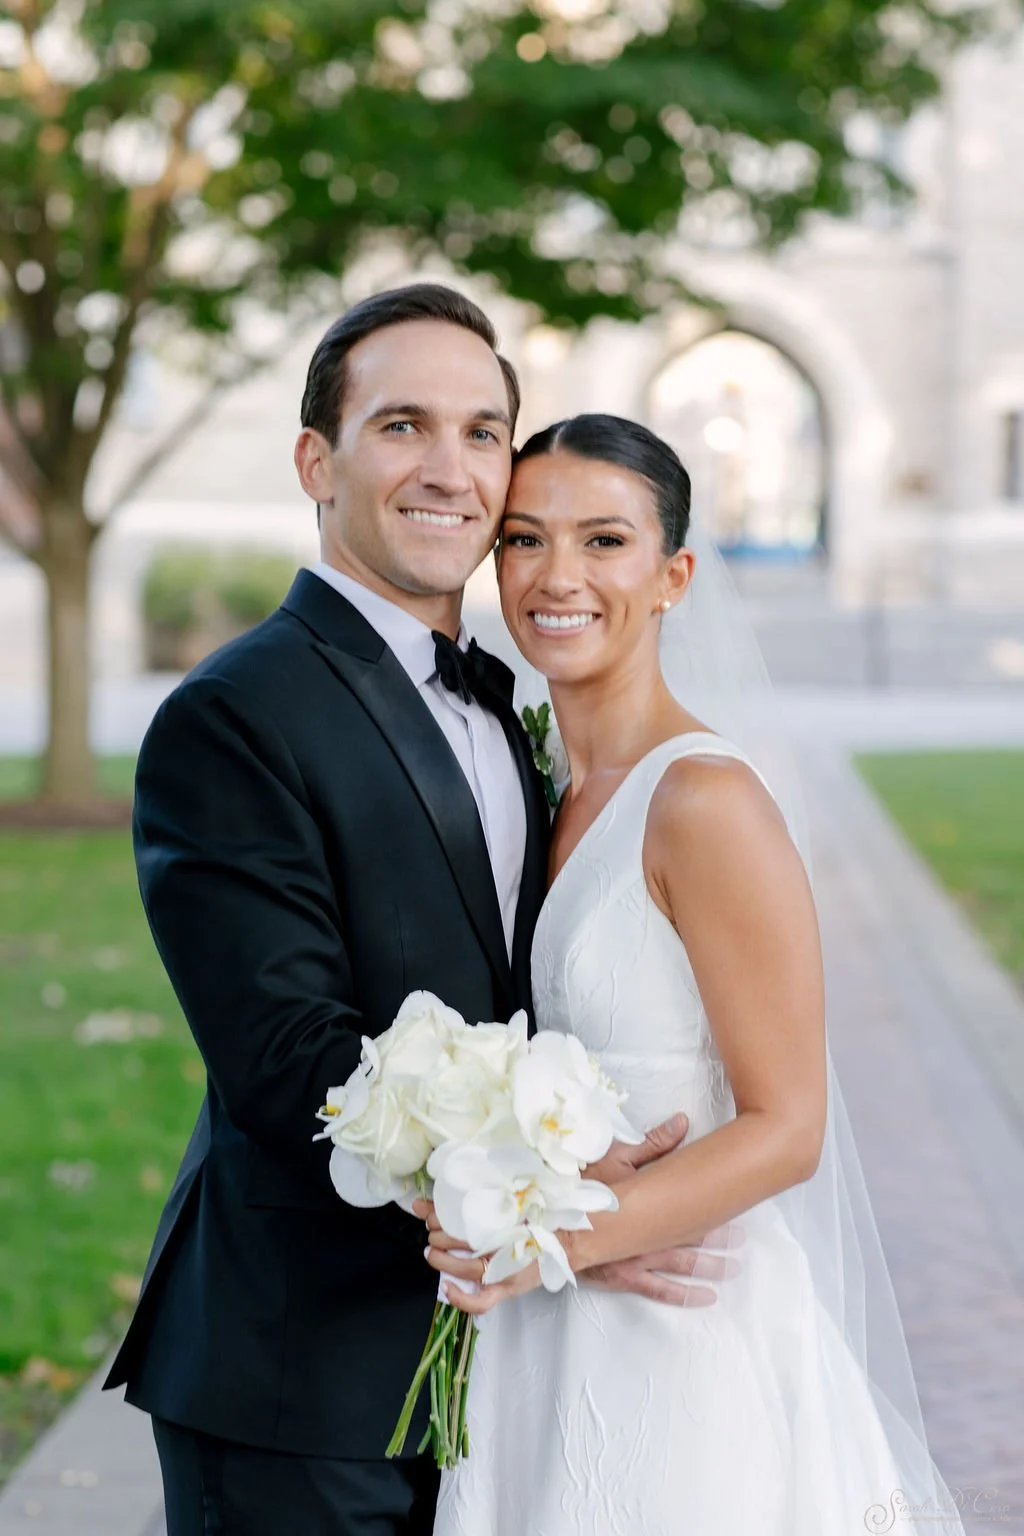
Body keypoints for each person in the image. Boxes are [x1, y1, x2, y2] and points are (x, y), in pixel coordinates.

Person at [104, 290, 711, 1536]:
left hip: (511, 1369)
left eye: (484, 432)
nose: (450, 468)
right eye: (402, 426)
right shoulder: (232, 716)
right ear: (316, 463)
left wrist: (575, 1228)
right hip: (298, 1377)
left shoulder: (510, 700)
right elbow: (286, 1057)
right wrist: (568, 1198)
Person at [426, 414, 965, 1536]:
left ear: (673, 574)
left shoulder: (705, 802)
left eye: (603, 541)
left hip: (678, 1334)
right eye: (523, 540)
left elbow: (787, 1123)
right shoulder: (536, 786)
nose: (556, 576)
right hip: (540, 1329)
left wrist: (548, 1240)